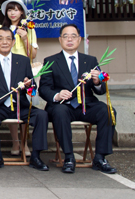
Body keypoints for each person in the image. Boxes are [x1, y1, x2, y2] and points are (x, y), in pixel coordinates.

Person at [39, 24, 117, 174]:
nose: (69, 39)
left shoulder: (91, 60)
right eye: (65, 36)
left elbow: (99, 90)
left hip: (86, 105)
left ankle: (100, 157)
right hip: (63, 105)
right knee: (60, 112)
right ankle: (69, 157)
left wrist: (97, 82)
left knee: (108, 111)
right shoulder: (50, 60)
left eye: (73, 36)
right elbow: (44, 88)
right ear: (60, 39)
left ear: (79, 39)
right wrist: (57, 95)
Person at [0, 26, 49, 171]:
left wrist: (29, 86)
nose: (4, 42)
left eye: (8, 39)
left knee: (42, 115)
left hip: (20, 106)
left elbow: (32, 89)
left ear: (13, 42)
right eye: (0, 39)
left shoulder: (22, 61)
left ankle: (36, 156)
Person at [0, 0, 38, 157]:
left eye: (16, 9)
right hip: (5, 70)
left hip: (23, 71)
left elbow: (33, 54)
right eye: (10, 9)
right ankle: (15, 142)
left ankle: (24, 143)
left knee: (23, 105)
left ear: (22, 12)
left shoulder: (29, 27)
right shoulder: (1, 28)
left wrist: (25, 37)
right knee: (9, 103)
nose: (13, 13)